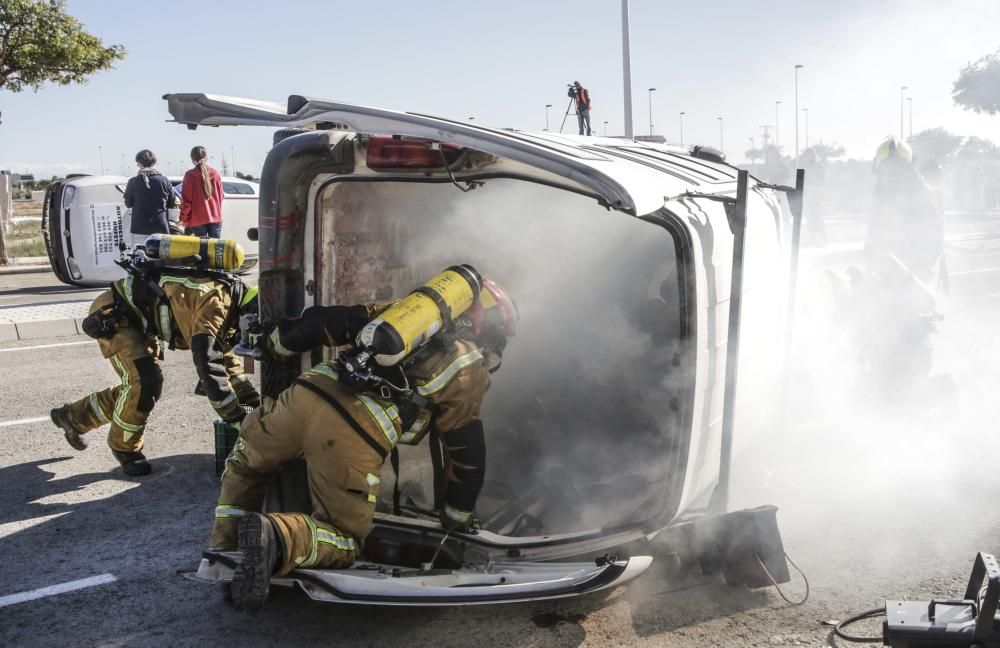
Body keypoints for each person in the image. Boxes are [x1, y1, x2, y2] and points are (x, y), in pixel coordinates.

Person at [209, 275, 517, 612]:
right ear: (488, 327)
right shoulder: (469, 368)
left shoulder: (400, 317)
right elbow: (467, 453)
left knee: (245, 468)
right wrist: (457, 517)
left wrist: (275, 340)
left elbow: (328, 322)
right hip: (351, 432)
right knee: (343, 538)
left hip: (303, 396)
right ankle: (278, 537)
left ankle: (226, 557)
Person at [49, 267, 261, 476]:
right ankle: (124, 448)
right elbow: (210, 369)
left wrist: (252, 401)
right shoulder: (214, 307)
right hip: (114, 316)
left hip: (136, 320)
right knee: (144, 384)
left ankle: (73, 417)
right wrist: (238, 419)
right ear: (249, 318)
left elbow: (227, 362)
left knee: (138, 389)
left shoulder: (231, 303)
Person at [866, 137, 944, 283]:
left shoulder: (921, 193)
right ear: (880, 169)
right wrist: (871, 260)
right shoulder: (881, 194)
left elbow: (931, 236)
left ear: (908, 168)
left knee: (916, 303)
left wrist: (917, 266)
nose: (892, 174)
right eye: (887, 167)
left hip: (918, 268)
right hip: (890, 264)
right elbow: (873, 229)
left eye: (897, 168)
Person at [124, 150, 177, 245]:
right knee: (160, 256)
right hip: (161, 226)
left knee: (141, 256)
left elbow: (128, 204)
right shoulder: (164, 180)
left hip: (139, 227)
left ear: (140, 164)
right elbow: (172, 203)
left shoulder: (132, 182)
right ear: (154, 163)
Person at [181, 146, 225, 238]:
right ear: (206, 158)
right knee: (215, 249)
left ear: (193, 160)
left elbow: (187, 201)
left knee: (203, 250)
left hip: (198, 220)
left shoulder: (190, 175)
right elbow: (221, 197)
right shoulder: (216, 173)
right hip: (216, 218)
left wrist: (183, 219)